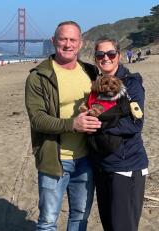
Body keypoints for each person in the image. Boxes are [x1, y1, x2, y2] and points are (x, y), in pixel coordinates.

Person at [25, 21, 101, 230]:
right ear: (54, 41)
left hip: (86, 158)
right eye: (63, 39)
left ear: (80, 43)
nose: (68, 44)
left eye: (72, 39)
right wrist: (73, 124)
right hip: (54, 159)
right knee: (48, 221)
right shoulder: (38, 77)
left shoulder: (91, 72)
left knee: (79, 217)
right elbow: (37, 119)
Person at [90, 37, 149, 231]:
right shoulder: (96, 86)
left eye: (111, 54)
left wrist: (97, 124)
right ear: (95, 58)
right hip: (102, 165)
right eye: (100, 54)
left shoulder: (131, 84)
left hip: (126, 165)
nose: (105, 58)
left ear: (119, 56)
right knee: (109, 225)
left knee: (123, 226)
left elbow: (135, 124)